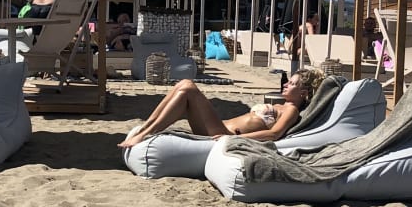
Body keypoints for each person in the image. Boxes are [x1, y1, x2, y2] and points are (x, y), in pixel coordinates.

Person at [118, 66, 325, 148]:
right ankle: (146, 128)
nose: (286, 85)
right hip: (218, 126)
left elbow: (274, 134)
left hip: (222, 133)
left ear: (304, 93)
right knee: (183, 85)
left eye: (292, 84)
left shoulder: (291, 110)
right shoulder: (279, 105)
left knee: (189, 87)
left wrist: (234, 139)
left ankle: (144, 134)